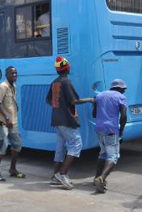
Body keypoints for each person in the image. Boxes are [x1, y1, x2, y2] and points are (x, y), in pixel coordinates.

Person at [46, 56, 94, 190]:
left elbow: (48, 100)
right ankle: (62, 174)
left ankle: (55, 176)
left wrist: (59, 106)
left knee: (60, 148)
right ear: (67, 67)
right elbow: (74, 101)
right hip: (67, 119)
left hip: (57, 119)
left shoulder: (54, 82)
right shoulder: (66, 82)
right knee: (76, 144)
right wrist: (90, 99)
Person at [92, 79, 127, 193]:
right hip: (111, 129)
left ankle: (96, 177)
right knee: (113, 156)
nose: (124, 91)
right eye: (123, 89)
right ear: (119, 88)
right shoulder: (120, 97)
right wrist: (121, 130)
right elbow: (123, 116)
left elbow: (94, 114)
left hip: (99, 128)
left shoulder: (100, 95)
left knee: (102, 153)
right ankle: (101, 179)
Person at [0, 66, 25, 181]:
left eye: (15, 73)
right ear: (6, 75)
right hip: (1, 122)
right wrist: (6, 118)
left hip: (12, 122)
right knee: (3, 145)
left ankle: (12, 169)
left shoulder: (13, 86)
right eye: (12, 73)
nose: (14, 75)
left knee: (17, 144)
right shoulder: (2, 86)